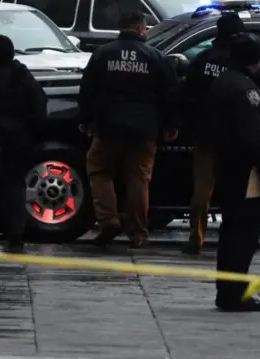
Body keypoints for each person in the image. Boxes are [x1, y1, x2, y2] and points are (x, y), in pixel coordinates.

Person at [79, 9, 179, 249]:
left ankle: (108, 220)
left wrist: (86, 120)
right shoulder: (154, 57)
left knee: (99, 171)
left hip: (108, 128)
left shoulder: (102, 54)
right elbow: (171, 94)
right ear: (141, 29)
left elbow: (87, 90)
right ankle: (138, 233)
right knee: (138, 180)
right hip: (144, 130)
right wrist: (171, 124)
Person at [180, 13, 260, 256]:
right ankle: (236, 236)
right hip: (238, 140)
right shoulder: (247, 64)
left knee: (203, 188)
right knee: (239, 190)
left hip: (207, 135)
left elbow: (186, 96)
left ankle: (196, 237)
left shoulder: (203, 60)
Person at [206, 33, 260, 312]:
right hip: (245, 170)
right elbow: (253, 136)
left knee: (232, 230)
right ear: (255, 60)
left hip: (227, 164)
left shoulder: (223, 83)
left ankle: (228, 291)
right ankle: (235, 293)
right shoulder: (245, 90)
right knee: (243, 234)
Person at [0, 35, 48, 253]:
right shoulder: (22, 75)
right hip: (17, 140)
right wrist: (32, 134)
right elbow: (39, 105)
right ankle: (16, 235)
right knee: (15, 188)